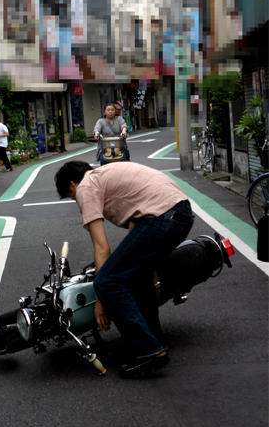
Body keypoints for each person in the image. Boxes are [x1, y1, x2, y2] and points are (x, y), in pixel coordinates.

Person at [54, 160, 194, 378]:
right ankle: (155, 344)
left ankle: (148, 351)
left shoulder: (86, 186)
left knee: (107, 281)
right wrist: (153, 276)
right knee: (136, 277)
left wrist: (101, 301)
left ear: (72, 184)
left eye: (71, 197)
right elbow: (142, 246)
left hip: (163, 217)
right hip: (181, 214)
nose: (76, 200)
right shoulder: (108, 175)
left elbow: (102, 247)